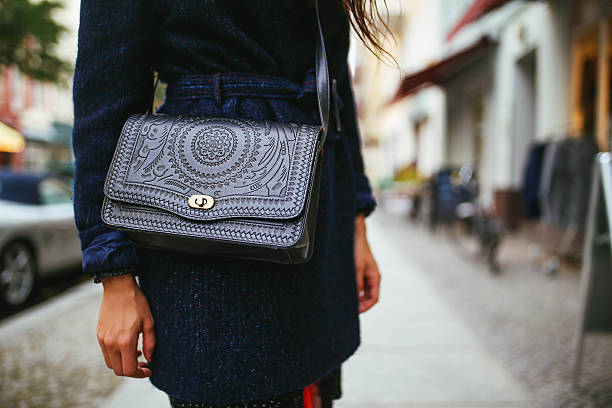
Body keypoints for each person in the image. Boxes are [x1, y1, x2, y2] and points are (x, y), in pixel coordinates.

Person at [72, 1, 385, 407]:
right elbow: (105, 95)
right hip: (207, 226)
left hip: (319, 214)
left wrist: (356, 223)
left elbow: (336, 86)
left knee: (311, 388)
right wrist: (113, 269)